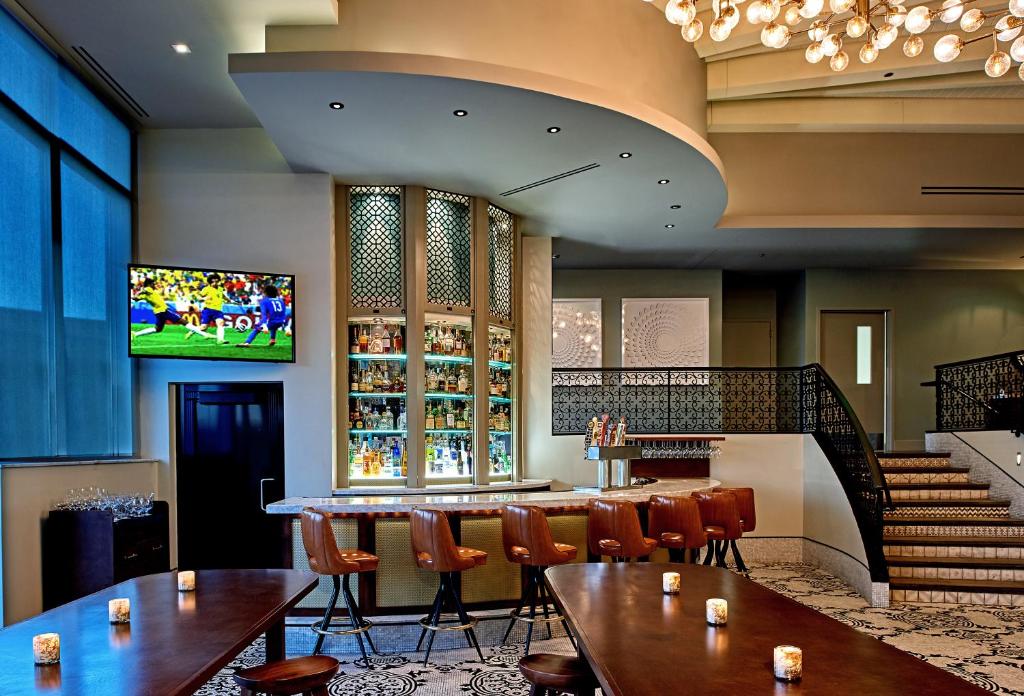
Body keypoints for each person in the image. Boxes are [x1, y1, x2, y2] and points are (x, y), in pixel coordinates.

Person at [185, 275, 228, 344]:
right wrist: (204, 298)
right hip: (208, 310)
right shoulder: (206, 289)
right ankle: (192, 331)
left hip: (218, 310)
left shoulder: (220, 289)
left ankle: (220, 340)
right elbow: (199, 298)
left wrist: (231, 301)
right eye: (213, 282)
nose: (215, 283)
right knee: (203, 327)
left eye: (216, 281)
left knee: (221, 323)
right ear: (210, 282)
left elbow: (223, 296)